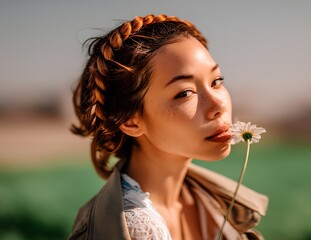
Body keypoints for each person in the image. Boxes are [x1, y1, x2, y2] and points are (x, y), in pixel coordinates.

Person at [68, 14, 268, 240]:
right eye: (185, 93)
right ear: (130, 120)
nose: (219, 105)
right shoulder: (129, 229)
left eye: (216, 81)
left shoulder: (213, 202)